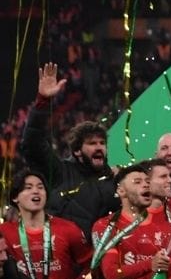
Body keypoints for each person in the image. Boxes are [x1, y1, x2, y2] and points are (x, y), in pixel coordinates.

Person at [18, 63, 118, 238]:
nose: (99, 147)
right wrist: (43, 101)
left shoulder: (115, 180)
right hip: (60, 250)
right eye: (92, 143)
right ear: (77, 151)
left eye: (102, 143)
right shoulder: (60, 172)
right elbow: (32, 143)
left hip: (100, 253)